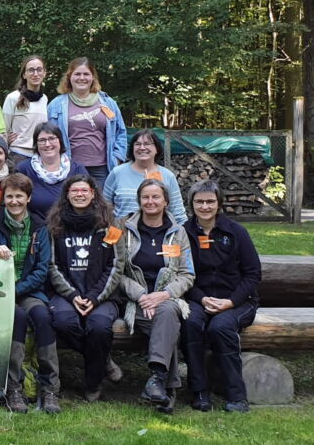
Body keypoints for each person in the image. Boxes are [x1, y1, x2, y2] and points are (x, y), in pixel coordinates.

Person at [0, 173, 60, 414]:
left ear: (29, 198)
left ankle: (50, 387)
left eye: (19, 196)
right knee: (18, 317)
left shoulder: (40, 227)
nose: (14, 201)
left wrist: (17, 289)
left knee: (43, 317)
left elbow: (42, 269)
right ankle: (13, 387)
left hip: (30, 291)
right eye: (10, 196)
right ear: (3, 199)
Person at [116, 178, 194, 414]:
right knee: (167, 323)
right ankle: (165, 387)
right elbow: (113, 271)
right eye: (146, 197)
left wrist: (163, 295)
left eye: (156, 197)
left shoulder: (178, 232)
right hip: (133, 301)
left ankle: (157, 379)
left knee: (168, 312)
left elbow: (187, 274)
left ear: (166, 201)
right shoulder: (121, 229)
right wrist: (142, 295)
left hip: (166, 300)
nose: (150, 201)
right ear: (139, 201)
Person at [183, 179, 261, 413]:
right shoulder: (183, 232)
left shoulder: (237, 232)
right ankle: (199, 392)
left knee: (220, 327)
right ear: (192, 204)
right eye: (199, 202)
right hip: (199, 298)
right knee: (191, 323)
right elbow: (180, 273)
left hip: (237, 300)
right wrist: (201, 298)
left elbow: (253, 273)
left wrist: (231, 302)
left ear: (219, 204)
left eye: (210, 201)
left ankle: (236, 396)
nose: (205, 206)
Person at [45, 175, 124, 402]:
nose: (79, 194)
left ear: (93, 194)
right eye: (74, 191)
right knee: (63, 322)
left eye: (84, 190)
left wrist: (94, 298)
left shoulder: (110, 225)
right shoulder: (54, 225)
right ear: (67, 195)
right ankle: (104, 361)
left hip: (102, 296)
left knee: (99, 327)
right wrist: (71, 295)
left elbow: (116, 265)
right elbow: (52, 264)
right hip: (65, 294)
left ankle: (93, 383)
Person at [46, 57, 127, 190]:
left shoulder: (108, 103)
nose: (81, 78)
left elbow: (120, 132)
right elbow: (48, 136)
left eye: (86, 74)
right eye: (77, 74)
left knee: (100, 207)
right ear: (69, 77)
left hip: (102, 169)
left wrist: (117, 158)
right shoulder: (56, 105)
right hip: (69, 168)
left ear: (93, 77)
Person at [103, 129, 186, 223]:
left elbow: (178, 213)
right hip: (122, 233)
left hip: (157, 234)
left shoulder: (167, 176)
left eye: (147, 144)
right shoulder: (117, 173)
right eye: (137, 144)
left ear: (157, 149)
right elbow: (104, 207)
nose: (142, 148)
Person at [16, 122, 78, 222]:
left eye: (52, 139)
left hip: (70, 228)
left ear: (60, 141)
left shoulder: (76, 169)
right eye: (42, 140)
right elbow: (16, 203)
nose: (47, 144)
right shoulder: (24, 169)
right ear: (36, 144)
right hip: (35, 229)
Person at [2, 55, 50, 163]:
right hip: (18, 155)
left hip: (40, 155)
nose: (35, 74)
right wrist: (6, 141)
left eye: (39, 70)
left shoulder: (44, 99)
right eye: (31, 70)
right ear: (24, 74)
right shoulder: (13, 98)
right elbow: (4, 129)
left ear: (44, 73)